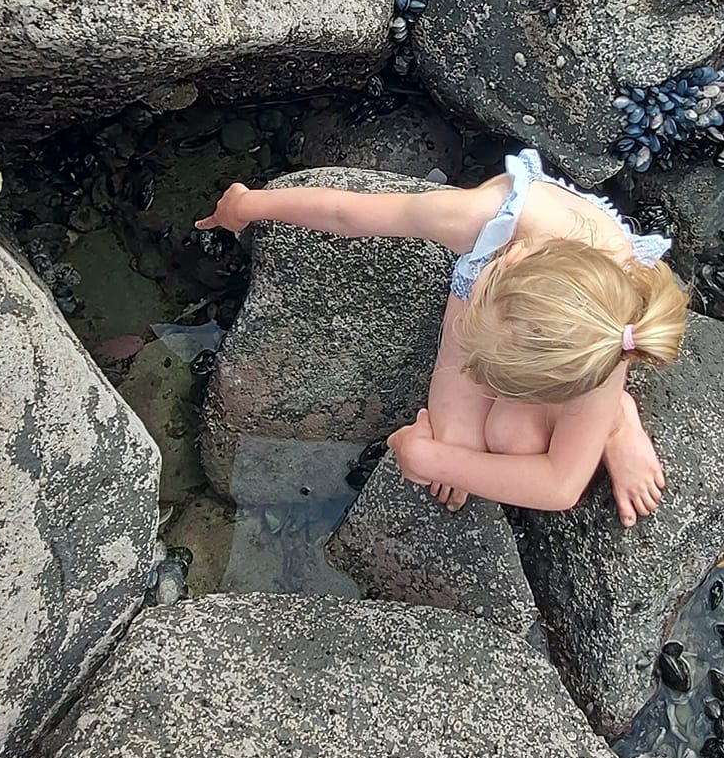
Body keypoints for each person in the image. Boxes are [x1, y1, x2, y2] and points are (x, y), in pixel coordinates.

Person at [195, 148, 687, 523]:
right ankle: (595, 418)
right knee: (467, 442)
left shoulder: (600, 325)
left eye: (491, 376)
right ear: (508, 262)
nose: (473, 375)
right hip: (516, 293)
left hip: (574, 330)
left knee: (508, 440)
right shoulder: (479, 217)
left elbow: (561, 488)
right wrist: (248, 203)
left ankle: (617, 418)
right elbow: (347, 214)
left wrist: (431, 457)